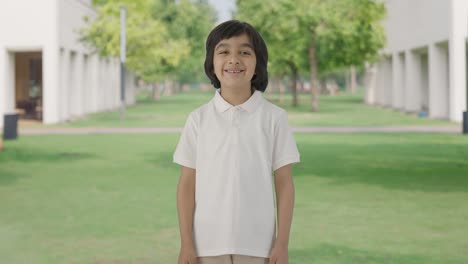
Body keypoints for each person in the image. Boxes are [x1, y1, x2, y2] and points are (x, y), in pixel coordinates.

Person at [174, 20, 300, 264]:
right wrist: (187, 244)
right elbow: (187, 186)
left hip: (259, 246)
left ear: (258, 64)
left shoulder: (274, 118)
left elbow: (284, 185)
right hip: (206, 246)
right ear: (212, 62)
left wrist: (281, 244)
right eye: (224, 52)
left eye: (244, 52)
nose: (234, 59)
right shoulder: (198, 120)